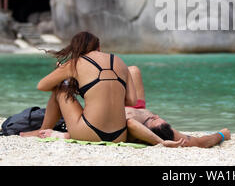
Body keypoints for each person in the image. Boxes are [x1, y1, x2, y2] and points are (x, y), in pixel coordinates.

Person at [20, 31, 185, 148]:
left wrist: (64, 76)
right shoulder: (119, 61)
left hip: (89, 132)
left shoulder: (75, 63)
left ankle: (42, 130)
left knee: (59, 90)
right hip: (119, 135)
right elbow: (131, 102)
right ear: (98, 46)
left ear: (76, 48)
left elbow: (42, 86)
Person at [123, 65, 231, 148]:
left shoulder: (139, 129)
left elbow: (132, 124)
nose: (155, 115)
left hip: (123, 105)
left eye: (152, 119)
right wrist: (222, 134)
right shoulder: (168, 132)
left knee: (117, 74)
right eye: (157, 117)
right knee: (134, 70)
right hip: (138, 106)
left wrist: (161, 142)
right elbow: (200, 142)